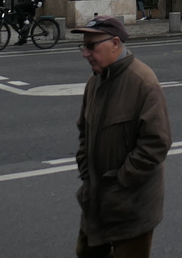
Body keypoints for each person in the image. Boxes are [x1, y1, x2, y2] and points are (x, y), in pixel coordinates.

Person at [73, 16, 172, 258]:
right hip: (96, 200)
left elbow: (157, 143)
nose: (86, 53)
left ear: (115, 43)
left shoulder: (143, 82)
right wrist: (87, 173)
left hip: (131, 204)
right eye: (83, 46)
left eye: (91, 46)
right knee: (85, 252)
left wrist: (120, 180)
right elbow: (84, 133)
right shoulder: (94, 82)